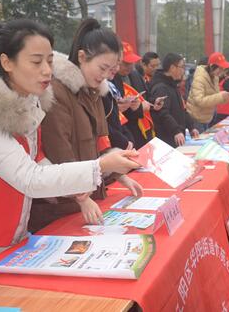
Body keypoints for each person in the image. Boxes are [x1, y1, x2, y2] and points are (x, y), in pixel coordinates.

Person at [0, 19, 140, 281]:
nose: (47, 70)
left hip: (11, 235)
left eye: (49, 60)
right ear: (7, 63)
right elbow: (28, 178)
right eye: (36, 62)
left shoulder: (28, 105)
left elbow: (38, 160)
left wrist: (79, 189)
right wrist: (101, 166)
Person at [28, 19, 143, 232]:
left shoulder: (94, 92)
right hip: (62, 204)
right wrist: (81, 198)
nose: (107, 76)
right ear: (82, 57)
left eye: (112, 70)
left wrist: (120, 174)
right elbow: (58, 151)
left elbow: (102, 141)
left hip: (88, 197)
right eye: (103, 68)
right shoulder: (56, 92)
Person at [112, 42, 160, 149]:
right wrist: (139, 108)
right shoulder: (112, 80)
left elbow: (145, 95)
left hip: (143, 129)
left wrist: (153, 103)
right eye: (126, 63)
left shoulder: (135, 75)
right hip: (126, 132)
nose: (130, 67)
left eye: (132, 63)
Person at [149, 53, 199, 147]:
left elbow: (182, 110)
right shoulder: (161, 88)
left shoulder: (173, 85)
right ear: (172, 67)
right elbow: (163, 113)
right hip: (167, 139)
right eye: (182, 67)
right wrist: (175, 130)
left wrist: (192, 127)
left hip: (177, 136)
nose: (183, 71)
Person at [186, 52, 229, 132]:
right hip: (196, 118)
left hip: (206, 117)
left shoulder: (215, 77)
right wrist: (220, 96)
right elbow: (199, 101)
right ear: (212, 66)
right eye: (220, 68)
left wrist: (225, 98)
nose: (221, 71)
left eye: (223, 69)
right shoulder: (200, 78)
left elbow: (214, 98)